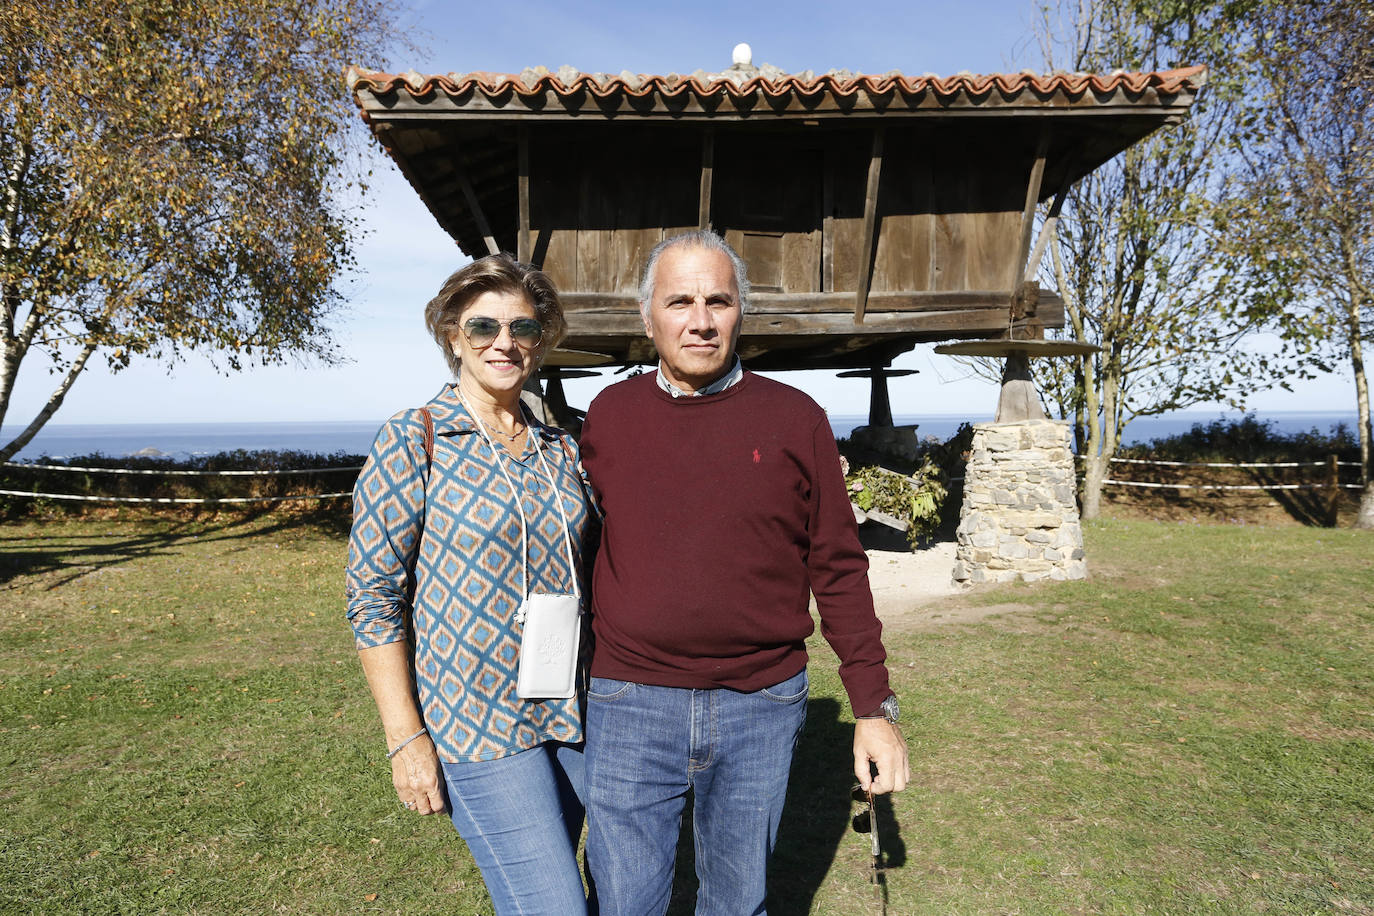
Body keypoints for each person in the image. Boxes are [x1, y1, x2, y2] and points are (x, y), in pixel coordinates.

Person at [578, 230, 911, 916]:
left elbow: (839, 566)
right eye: (679, 301)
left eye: (717, 300)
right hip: (630, 701)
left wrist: (872, 707)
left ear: (740, 314)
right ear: (649, 318)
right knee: (626, 905)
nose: (699, 319)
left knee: (736, 904)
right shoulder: (609, 418)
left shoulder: (795, 419)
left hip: (761, 705)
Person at [345, 253, 595, 915]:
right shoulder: (414, 439)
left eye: (523, 328)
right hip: (474, 725)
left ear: (540, 342)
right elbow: (372, 598)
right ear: (454, 335)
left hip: (571, 713)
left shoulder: (560, 447)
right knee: (555, 906)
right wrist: (406, 739)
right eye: (484, 327)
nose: (504, 343)